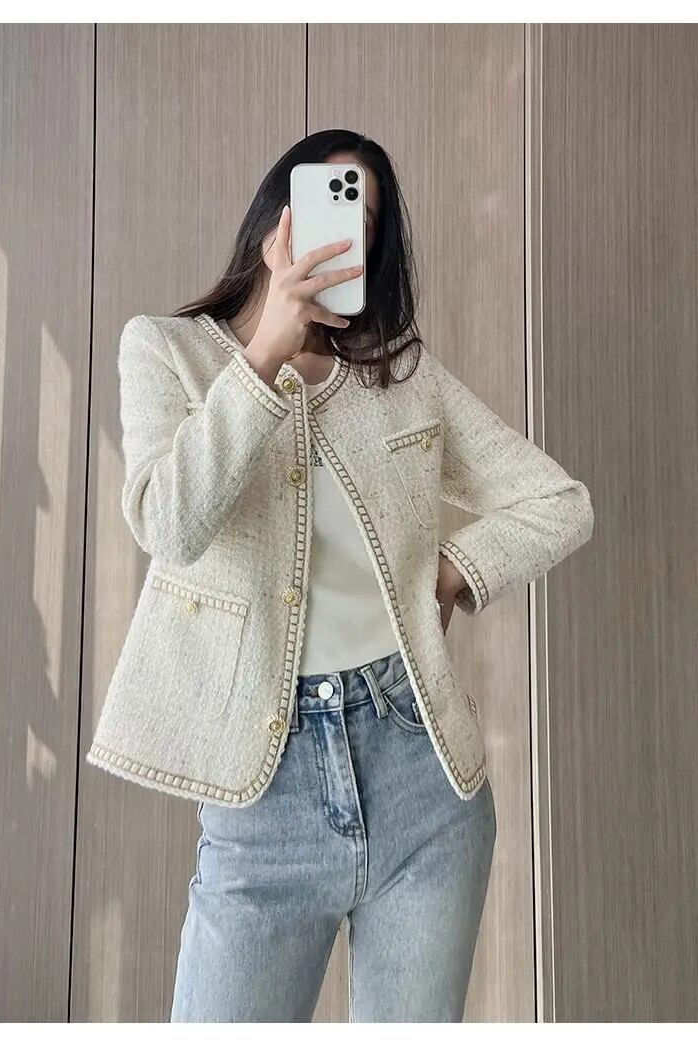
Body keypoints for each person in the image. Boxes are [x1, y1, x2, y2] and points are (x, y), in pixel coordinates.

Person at [86, 129, 594, 1022]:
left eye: (364, 219)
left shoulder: (397, 375)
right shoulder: (166, 352)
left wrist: (452, 572)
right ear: (274, 219)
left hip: (423, 781)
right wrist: (263, 356)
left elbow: (561, 502)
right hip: (262, 798)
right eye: (327, 203)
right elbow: (171, 525)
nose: (342, 231)